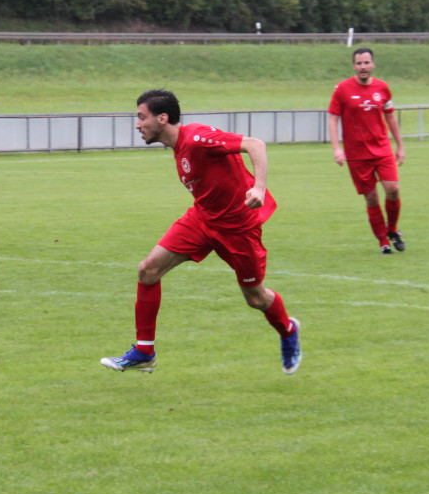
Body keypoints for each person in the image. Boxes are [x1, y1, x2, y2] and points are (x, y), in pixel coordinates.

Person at [100, 89, 301, 375]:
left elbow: (255, 144)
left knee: (256, 298)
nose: (137, 124)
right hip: (202, 219)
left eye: (141, 117)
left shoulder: (196, 138)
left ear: (162, 118)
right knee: (147, 270)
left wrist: (258, 186)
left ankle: (288, 329)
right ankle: (144, 351)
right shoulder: (178, 147)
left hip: (238, 229)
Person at [327, 47, 406, 255]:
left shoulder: (382, 88)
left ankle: (392, 229)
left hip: (382, 149)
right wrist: (337, 148)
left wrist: (400, 145)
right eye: (359, 63)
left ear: (373, 65)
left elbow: (390, 116)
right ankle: (383, 242)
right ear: (354, 66)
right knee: (371, 198)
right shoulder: (342, 89)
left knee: (393, 189)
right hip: (356, 154)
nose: (363, 67)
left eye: (366, 63)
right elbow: (333, 117)